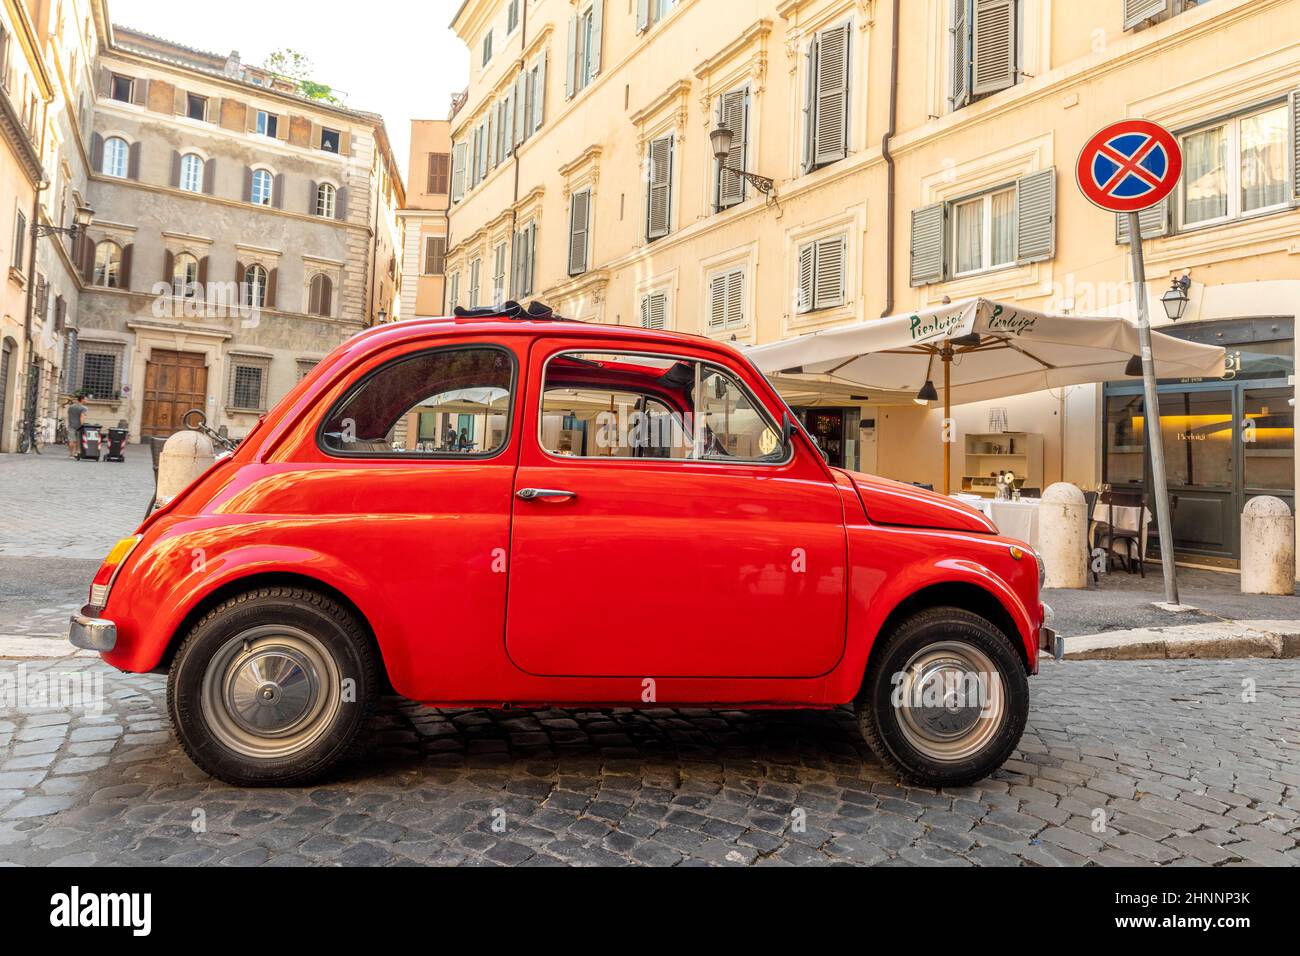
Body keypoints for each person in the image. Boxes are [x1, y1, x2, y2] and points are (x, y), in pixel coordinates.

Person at [66, 393, 89, 459]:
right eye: (86, 399)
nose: (87, 400)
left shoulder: (71, 407)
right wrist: (82, 425)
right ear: (82, 400)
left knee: (71, 440)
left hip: (71, 425)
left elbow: (69, 415)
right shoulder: (84, 408)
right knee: (77, 440)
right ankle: (76, 453)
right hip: (79, 426)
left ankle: (71, 454)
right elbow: (82, 417)